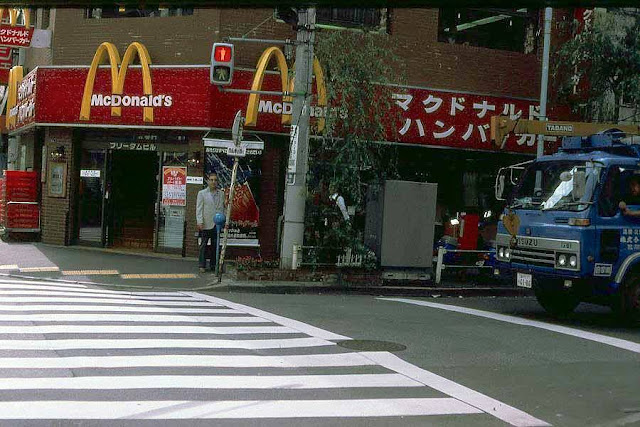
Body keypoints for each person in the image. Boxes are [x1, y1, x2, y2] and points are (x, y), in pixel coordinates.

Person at [196, 172, 226, 273]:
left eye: (215, 180)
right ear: (208, 181)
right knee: (203, 245)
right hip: (205, 223)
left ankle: (214, 265)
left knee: (215, 245)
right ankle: (202, 265)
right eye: (211, 180)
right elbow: (199, 208)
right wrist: (199, 221)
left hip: (217, 224)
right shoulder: (202, 193)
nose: (213, 182)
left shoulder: (221, 194)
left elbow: (223, 207)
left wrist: (224, 220)